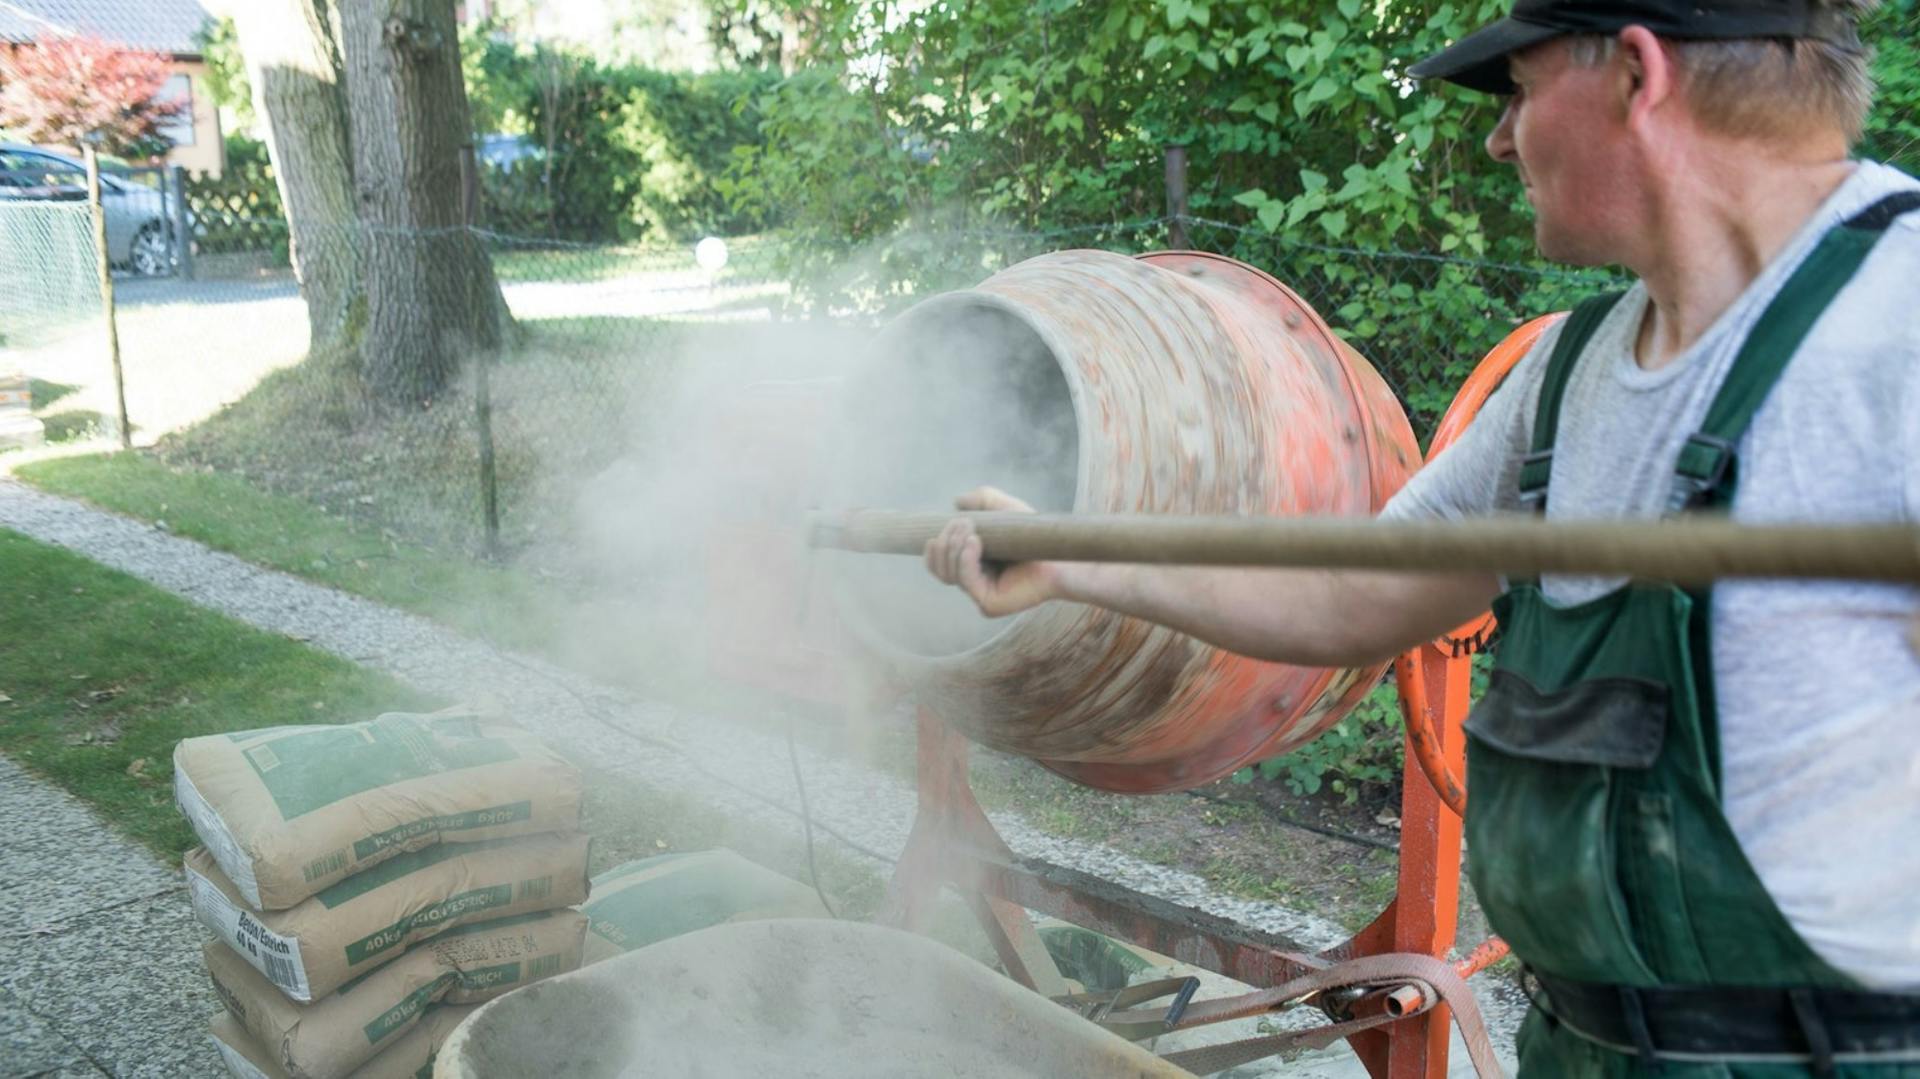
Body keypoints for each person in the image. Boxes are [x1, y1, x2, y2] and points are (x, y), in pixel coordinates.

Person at [921, 0, 1920, 1073]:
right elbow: (1356, 595)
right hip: (1583, 1045)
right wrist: (1071, 558)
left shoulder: (1894, 332)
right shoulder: (1568, 374)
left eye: (1521, 91)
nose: (1499, 137)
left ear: (1639, 74)